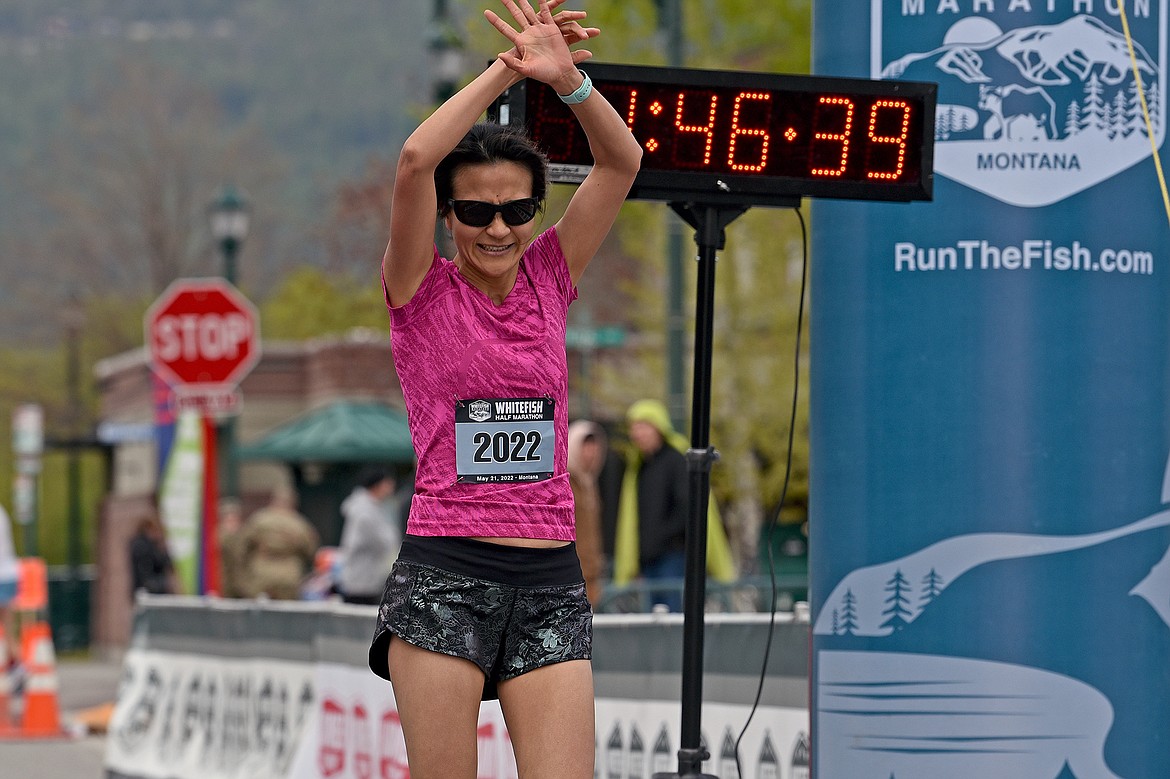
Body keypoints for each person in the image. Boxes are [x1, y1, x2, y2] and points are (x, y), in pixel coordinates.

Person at [367, 1, 641, 776]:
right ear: (449, 215)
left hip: (550, 576)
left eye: (518, 210)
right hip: (446, 573)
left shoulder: (552, 275)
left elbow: (623, 163)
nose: (498, 229)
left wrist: (570, 83)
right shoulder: (418, 287)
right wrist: (509, 68)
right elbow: (418, 158)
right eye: (478, 211)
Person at [613, 399, 737, 612]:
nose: (636, 433)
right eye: (633, 427)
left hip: (673, 557)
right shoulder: (640, 466)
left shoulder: (676, 461)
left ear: (658, 428)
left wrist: (660, 537)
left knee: (673, 615)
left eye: (642, 426)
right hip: (650, 559)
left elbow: (687, 509)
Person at [239, 484, 319, 600]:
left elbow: (242, 546)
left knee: (259, 613)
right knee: (286, 614)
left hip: (262, 571)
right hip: (289, 574)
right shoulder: (299, 523)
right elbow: (310, 549)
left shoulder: (259, 519)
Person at [337, 468, 400, 605]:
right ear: (378, 484)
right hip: (361, 580)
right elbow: (383, 541)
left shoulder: (372, 507)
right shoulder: (364, 511)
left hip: (367, 578)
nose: (391, 487)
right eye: (388, 483)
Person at [567, 420, 607, 607]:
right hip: (572, 573)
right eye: (585, 447)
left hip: (591, 572)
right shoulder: (567, 484)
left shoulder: (589, 483)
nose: (591, 453)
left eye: (594, 447)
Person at [128, 513, 176, 597]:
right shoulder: (144, 546)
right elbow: (161, 563)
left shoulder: (143, 544)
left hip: (145, 588)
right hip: (150, 588)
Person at [0, 503, 19, 671]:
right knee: (7, 627)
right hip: (8, 574)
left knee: (7, 627)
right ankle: (15, 666)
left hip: (3, 574)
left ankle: (15, 667)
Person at [216, 498, 248, 598]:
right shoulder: (220, 536)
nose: (234, 524)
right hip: (223, 584)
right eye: (229, 520)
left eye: (236, 520)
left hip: (239, 585)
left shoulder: (242, 536)